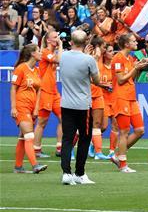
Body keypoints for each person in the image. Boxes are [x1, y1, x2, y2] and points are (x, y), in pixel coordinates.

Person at [58, 30, 102, 185]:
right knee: (84, 138)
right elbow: (96, 81)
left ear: (71, 42)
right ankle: (79, 173)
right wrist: (94, 58)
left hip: (66, 104)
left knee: (67, 138)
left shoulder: (62, 56)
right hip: (83, 105)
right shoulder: (89, 60)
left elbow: (61, 56)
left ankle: (66, 173)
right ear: (85, 42)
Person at [110, 33, 148, 173]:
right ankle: (122, 163)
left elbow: (131, 79)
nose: (136, 43)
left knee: (140, 130)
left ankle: (117, 155)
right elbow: (121, 80)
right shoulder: (118, 58)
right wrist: (135, 68)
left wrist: (138, 67)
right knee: (124, 131)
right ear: (126, 44)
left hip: (131, 97)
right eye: (134, 41)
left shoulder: (129, 58)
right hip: (121, 97)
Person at [10, 44, 49, 174]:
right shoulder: (21, 68)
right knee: (29, 135)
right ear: (32, 54)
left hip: (32, 107)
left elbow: (38, 91)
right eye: (38, 51)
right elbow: (13, 88)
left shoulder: (36, 71)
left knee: (23, 137)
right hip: (21, 106)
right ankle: (35, 165)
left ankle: (18, 167)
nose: (40, 52)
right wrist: (14, 107)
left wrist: (36, 108)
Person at [34, 30, 62, 158]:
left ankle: (60, 147)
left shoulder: (51, 52)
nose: (58, 38)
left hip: (54, 92)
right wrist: (61, 46)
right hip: (45, 91)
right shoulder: (45, 52)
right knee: (42, 122)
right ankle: (36, 150)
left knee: (64, 118)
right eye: (55, 37)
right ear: (49, 40)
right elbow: (58, 60)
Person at [88, 37, 112, 160]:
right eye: (103, 46)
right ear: (97, 47)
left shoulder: (101, 59)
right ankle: (70, 150)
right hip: (87, 95)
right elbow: (90, 78)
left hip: (98, 94)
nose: (105, 49)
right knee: (82, 126)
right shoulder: (89, 58)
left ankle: (97, 151)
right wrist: (103, 85)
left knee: (101, 125)